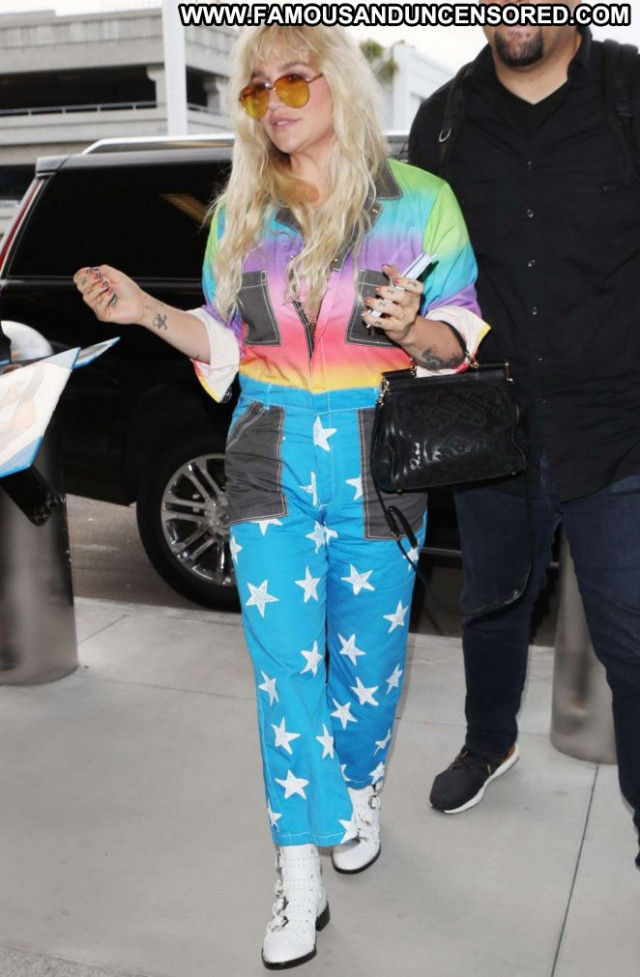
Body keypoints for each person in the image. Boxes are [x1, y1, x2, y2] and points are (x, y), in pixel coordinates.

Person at [75, 25, 487, 968]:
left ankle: (359, 788)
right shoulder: (242, 213)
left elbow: (459, 340)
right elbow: (225, 341)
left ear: (338, 83)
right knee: (283, 667)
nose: (274, 102)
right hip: (267, 445)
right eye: (257, 90)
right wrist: (145, 311)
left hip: (379, 449)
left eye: (292, 80)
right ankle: (299, 869)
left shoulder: (421, 202)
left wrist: (415, 327)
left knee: (370, 661)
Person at [409, 0, 640, 869]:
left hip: (620, 425)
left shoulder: (628, 90)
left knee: (633, 639)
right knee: (491, 603)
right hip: (491, 419)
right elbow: (417, 264)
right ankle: (489, 741)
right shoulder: (443, 121)